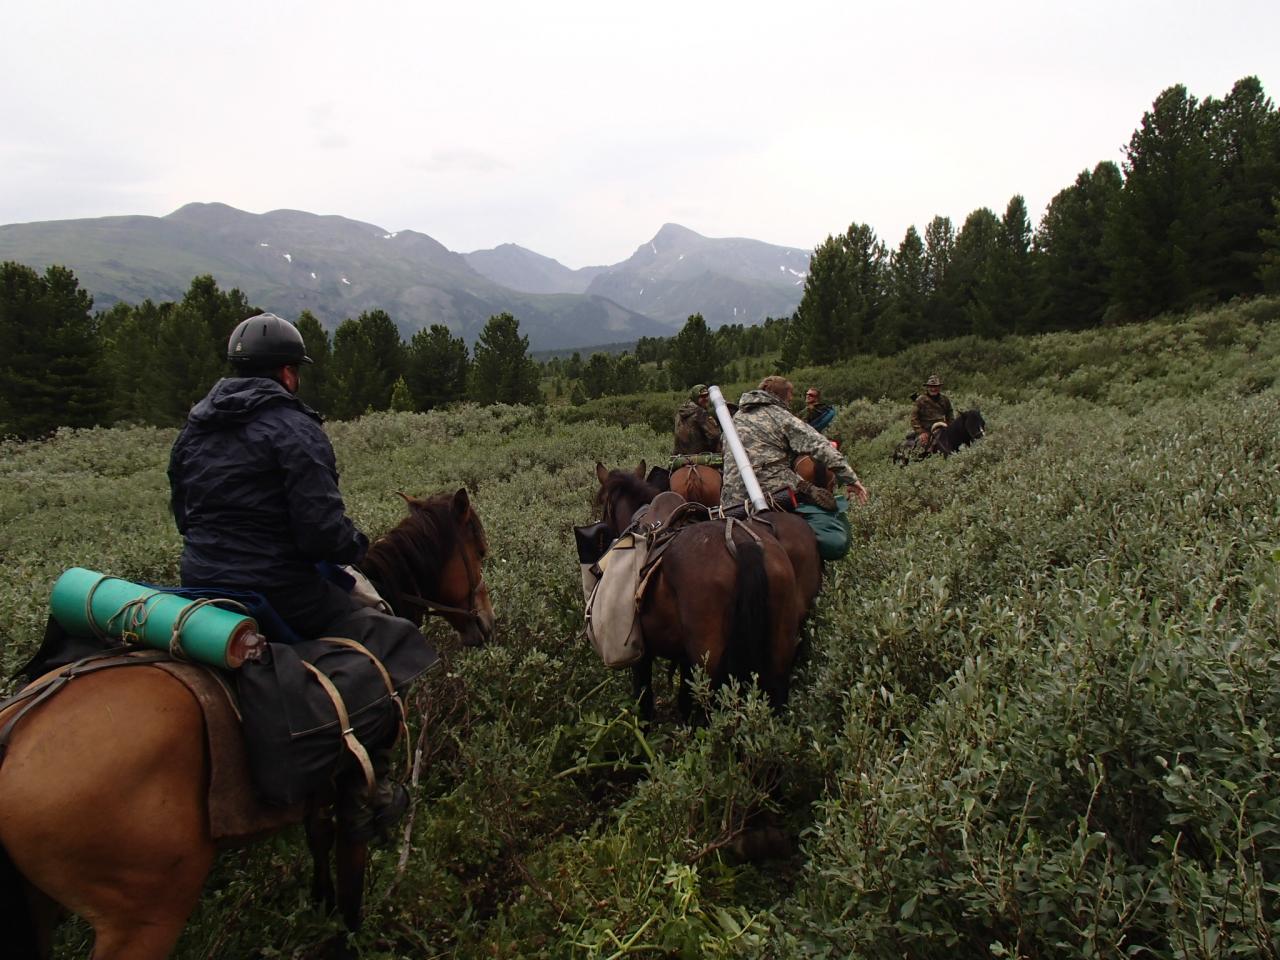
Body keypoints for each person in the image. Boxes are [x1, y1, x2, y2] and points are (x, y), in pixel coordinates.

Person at [168, 312, 419, 841]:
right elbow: (321, 535)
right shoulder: (294, 428)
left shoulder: (194, 430)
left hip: (200, 581)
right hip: (275, 587)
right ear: (286, 373)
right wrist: (357, 546)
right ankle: (367, 788)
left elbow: (184, 517)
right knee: (388, 639)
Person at [721, 376, 869, 512]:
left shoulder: (734, 419)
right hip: (771, 491)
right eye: (789, 399)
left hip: (731, 501)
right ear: (781, 396)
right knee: (828, 513)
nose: (790, 403)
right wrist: (851, 479)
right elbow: (821, 446)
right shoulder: (780, 415)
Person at [673, 383, 722, 455]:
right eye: (702, 396)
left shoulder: (680, 412)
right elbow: (715, 435)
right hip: (698, 455)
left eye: (706, 395)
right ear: (695, 397)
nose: (705, 398)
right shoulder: (700, 413)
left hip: (679, 455)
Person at [911, 374, 955, 450]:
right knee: (921, 447)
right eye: (931, 387)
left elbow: (950, 414)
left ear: (939, 387)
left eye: (935, 387)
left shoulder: (945, 400)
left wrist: (951, 428)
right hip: (926, 430)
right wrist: (921, 432)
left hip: (943, 428)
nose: (933, 389)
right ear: (927, 387)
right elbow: (914, 418)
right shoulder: (920, 400)